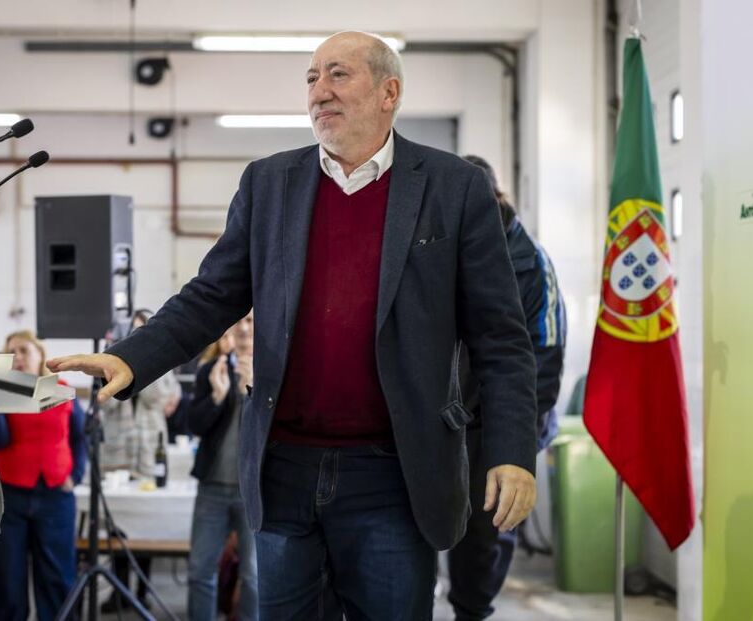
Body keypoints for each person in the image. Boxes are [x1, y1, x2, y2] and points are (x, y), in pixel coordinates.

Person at [48, 31, 538, 619]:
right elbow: (212, 294)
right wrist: (133, 357)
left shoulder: (453, 186)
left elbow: (501, 338)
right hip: (284, 469)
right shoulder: (268, 183)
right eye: (311, 78)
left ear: (390, 92)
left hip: (395, 475)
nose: (319, 92)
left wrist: (511, 450)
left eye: (338, 75)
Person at [447, 155, 567, 621]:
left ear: (494, 199)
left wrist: (517, 436)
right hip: (452, 413)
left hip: (508, 415)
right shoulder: (444, 243)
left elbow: (547, 348)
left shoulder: (529, 260)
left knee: (488, 525)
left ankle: (472, 611)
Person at [0, 330, 87, 621]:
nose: (18, 357)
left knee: (57, 581)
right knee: (7, 585)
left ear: (41, 354)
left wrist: (76, 475)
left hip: (55, 498)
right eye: (11, 352)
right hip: (6, 499)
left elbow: (80, 438)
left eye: (25, 350)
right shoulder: (2, 393)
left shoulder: (64, 391)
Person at [99, 309, 183, 612]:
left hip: (149, 449)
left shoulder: (164, 361)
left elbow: (157, 399)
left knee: (146, 521)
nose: (135, 339)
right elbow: (104, 401)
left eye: (141, 332)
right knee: (119, 523)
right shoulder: (108, 357)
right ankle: (118, 589)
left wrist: (142, 363)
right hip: (117, 449)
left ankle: (142, 590)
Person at [186, 314, 258, 620]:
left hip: (253, 492)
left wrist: (251, 391)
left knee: (254, 575)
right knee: (200, 570)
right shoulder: (210, 371)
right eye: (239, 321)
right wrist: (216, 397)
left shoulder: (274, 369)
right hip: (212, 488)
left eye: (251, 321)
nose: (243, 328)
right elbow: (193, 425)